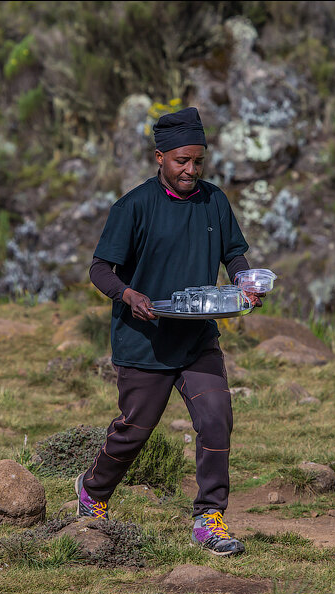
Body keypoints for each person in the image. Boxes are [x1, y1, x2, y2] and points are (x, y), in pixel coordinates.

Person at [75, 106, 261, 557]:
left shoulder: (214, 200)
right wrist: (129, 295)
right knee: (134, 430)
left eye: (198, 161)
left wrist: (244, 280)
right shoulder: (134, 206)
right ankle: (93, 492)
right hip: (144, 340)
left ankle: (209, 518)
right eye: (181, 161)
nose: (191, 170)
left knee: (216, 419)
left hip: (197, 337)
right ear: (160, 157)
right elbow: (100, 270)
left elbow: (234, 254)